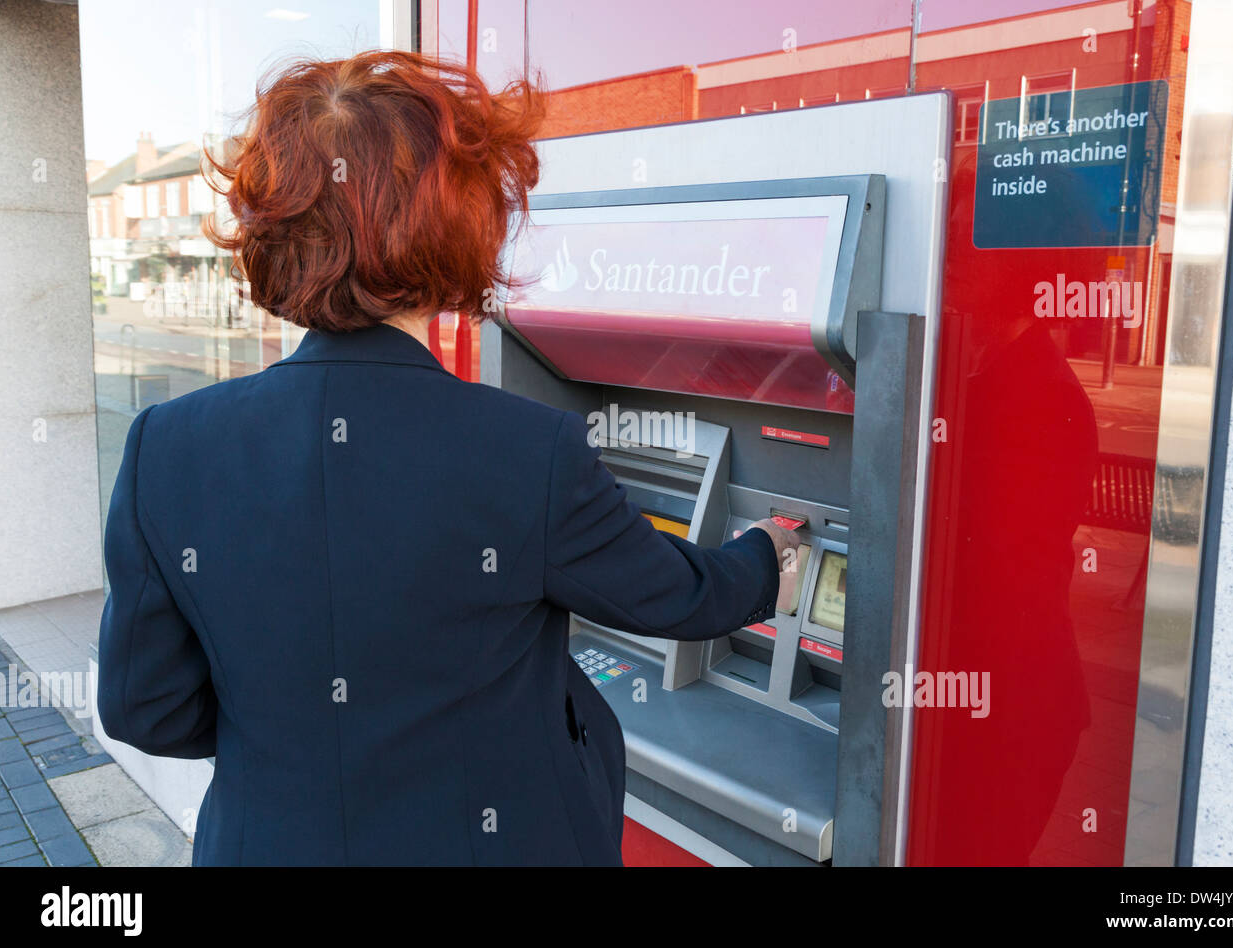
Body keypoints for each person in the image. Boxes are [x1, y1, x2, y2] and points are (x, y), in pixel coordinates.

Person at [96, 50, 797, 866]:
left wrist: (297, 752)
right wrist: (774, 556)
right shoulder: (527, 451)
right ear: (455, 226)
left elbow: (143, 709)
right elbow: (680, 599)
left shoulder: (166, 449)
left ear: (275, 230)